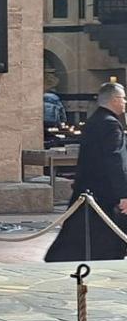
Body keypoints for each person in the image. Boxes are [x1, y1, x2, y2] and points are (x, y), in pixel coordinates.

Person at [45, 83, 127, 262]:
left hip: (87, 187)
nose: (125, 102)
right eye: (123, 99)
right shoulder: (111, 125)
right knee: (105, 233)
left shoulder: (95, 120)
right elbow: (114, 160)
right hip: (104, 191)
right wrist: (123, 193)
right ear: (114, 100)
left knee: (79, 232)